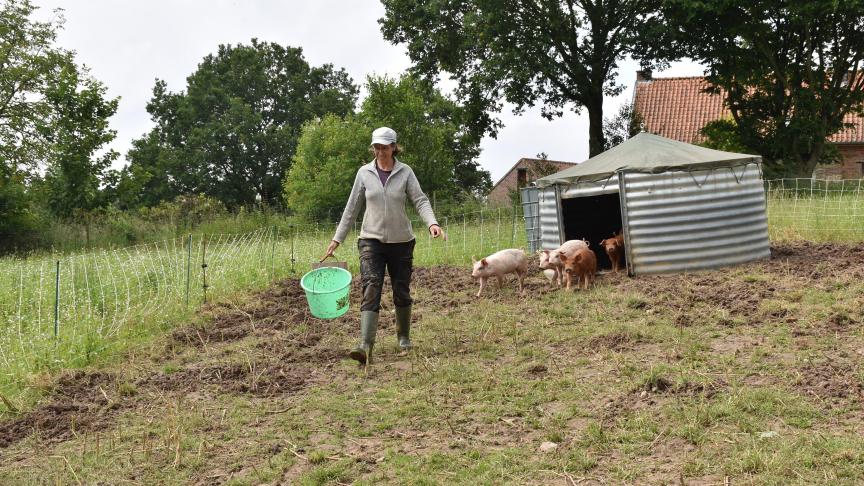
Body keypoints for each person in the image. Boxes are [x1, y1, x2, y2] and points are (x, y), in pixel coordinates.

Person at [321, 126, 445, 365]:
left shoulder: (405, 172)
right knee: (371, 286)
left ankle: (404, 337)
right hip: (371, 240)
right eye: (376, 147)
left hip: (402, 241)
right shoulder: (364, 173)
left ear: (394, 147)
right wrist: (337, 239)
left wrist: (432, 223)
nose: (380, 152)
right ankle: (365, 345)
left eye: (384, 147)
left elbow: (420, 200)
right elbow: (352, 208)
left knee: (401, 289)